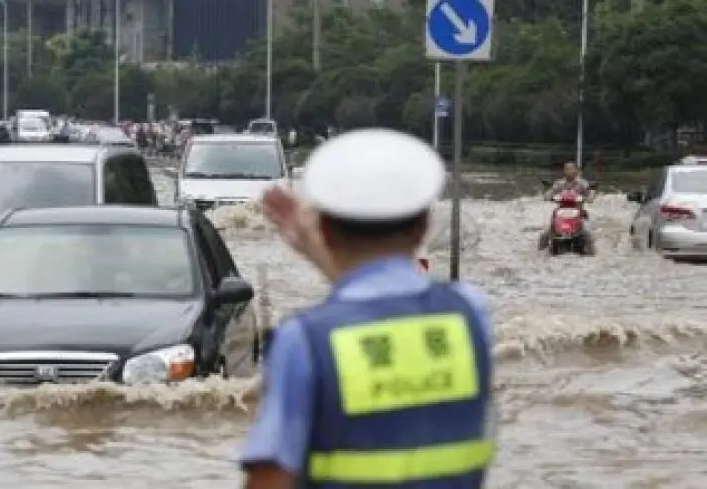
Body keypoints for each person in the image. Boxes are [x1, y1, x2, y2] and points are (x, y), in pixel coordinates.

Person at [241, 128, 495, 489]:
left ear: (325, 229)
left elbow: (270, 480)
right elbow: (388, 306)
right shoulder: (471, 311)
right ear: (423, 227)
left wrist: (316, 250)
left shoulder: (303, 340)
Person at [538, 160, 596, 252]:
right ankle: (540, 254)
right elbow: (551, 191)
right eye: (567, 169)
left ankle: (593, 254)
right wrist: (548, 195)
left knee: (588, 236)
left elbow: (590, 193)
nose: (569, 171)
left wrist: (590, 197)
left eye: (571, 168)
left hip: (578, 211)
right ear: (563, 171)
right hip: (561, 212)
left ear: (576, 170)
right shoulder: (559, 183)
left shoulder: (582, 183)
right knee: (544, 236)